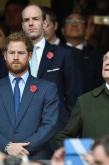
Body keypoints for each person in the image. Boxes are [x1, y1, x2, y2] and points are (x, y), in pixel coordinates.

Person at [0, 31, 59, 159]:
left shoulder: (47, 88)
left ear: (30, 55)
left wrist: (21, 150)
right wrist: (7, 146)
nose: (15, 57)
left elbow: (50, 125)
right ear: (4, 55)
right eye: (11, 53)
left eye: (20, 53)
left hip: (35, 157)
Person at [21, 4, 82, 152]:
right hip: (21, 136)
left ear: (45, 23)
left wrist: (67, 130)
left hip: (56, 134)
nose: (31, 23)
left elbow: (74, 98)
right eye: (26, 20)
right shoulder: (14, 56)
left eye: (35, 19)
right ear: (22, 25)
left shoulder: (63, 55)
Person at [61, 12, 103, 93]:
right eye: (69, 21)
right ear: (62, 30)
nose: (74, 25)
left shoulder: (96, 57)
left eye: (79, 21)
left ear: (87, 31)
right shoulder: (53, 53)